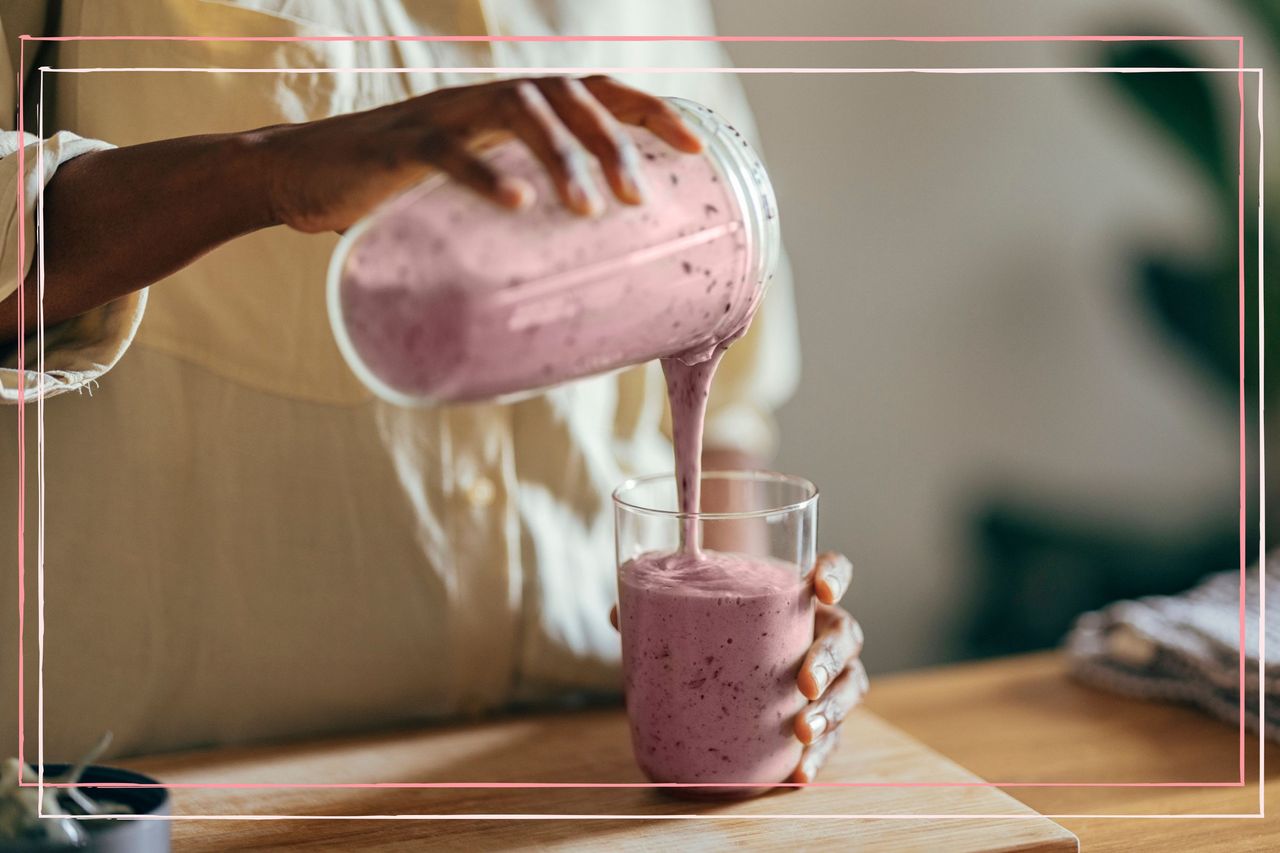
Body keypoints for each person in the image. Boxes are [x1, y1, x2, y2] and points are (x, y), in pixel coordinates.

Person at [1, 2, 865, 785]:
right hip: (173, 795)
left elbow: (731, 394)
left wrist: (755, 670)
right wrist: (270, 169)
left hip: (579, 776)